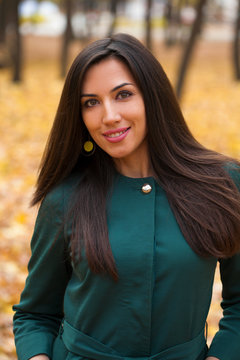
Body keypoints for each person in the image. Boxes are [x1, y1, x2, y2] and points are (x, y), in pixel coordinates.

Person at [13, 33, 240, 360]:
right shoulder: (65, 198)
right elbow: (35, 314)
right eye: (91, 102)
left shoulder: (221, 184)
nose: (108, 116)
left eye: (123, 95)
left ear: (153, 96)